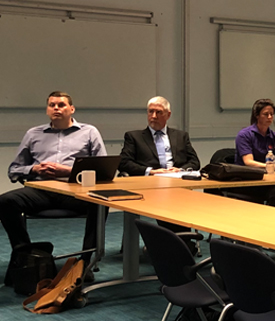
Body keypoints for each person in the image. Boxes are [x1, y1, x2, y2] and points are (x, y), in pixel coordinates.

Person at [0, 91, 106, 268]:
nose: (56, 108)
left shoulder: (89, 132)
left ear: (72, 109)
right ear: (47, 110)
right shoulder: (33, 134)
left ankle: (86, 262)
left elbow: (102, 170)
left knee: (100, 203)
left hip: (75, 191)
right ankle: (25, 254)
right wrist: (34, 168)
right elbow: (14, 170)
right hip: (41, 190)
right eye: (52, 105)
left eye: (61, 105)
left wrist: (67, 171)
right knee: (5, 201)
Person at [119, 96, 201, 232]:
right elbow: (123, 163)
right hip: (149, 185)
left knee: (180, 203)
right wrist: (152, 171)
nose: (154, 116)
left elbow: (195, 162)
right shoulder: (134, 137)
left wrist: (179, 170)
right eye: (150, 112)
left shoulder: (181, 136)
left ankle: (179, 240)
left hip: (177, 183)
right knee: (169, 204)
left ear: (168, 115)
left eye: (159, 112)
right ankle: (177, 240)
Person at [229, 98, 275, 210]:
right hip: (248, 181)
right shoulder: (244, 135)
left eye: (272, 114)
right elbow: (248, 162)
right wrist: (270, 166)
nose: (269, 117)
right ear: (257, 115)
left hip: (268, 180)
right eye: (266, 114)